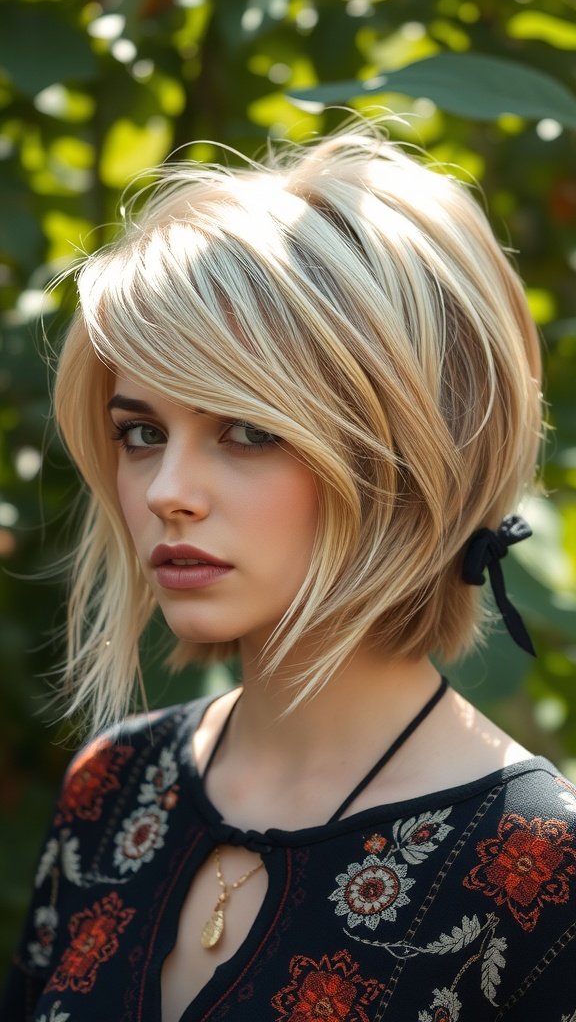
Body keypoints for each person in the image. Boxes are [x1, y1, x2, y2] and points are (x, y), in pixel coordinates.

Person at [3, 121, 575, 1022]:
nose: (167, 491)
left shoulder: (540, 866)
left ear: (408, 456)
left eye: (248, 430)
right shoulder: (111, 787)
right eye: (141, 432)